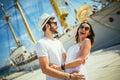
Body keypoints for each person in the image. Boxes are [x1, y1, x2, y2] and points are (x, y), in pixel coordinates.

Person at [35, 13, 84, 80]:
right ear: (47, 26)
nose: (56, 25)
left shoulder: (57, 41)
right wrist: (69, 76)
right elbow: (45, 69)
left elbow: (66, 59)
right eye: (54, 23)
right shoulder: (41, 43)